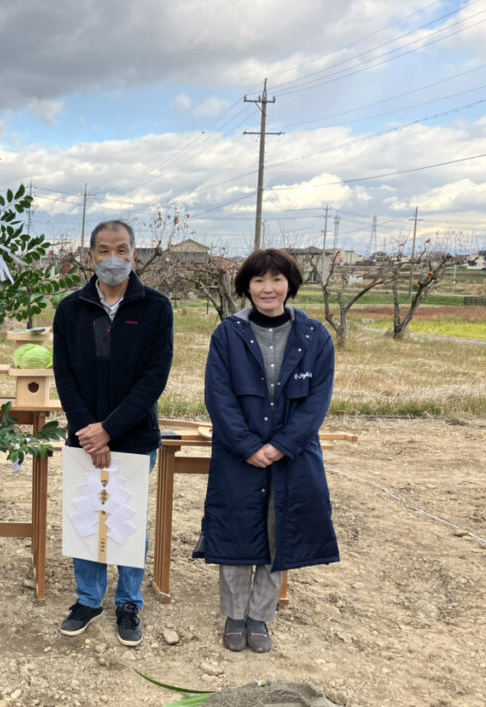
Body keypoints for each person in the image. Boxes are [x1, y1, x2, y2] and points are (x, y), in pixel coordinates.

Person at [199, 248, 338, 653]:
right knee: (237, 530)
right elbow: (218, 395)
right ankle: (234, 614)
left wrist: (279, 447)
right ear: (246, 287)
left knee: (282, 533)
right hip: (237, 454)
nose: (268, 288)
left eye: (277, 280)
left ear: (289, 285)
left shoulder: (315, 337)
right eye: (259, 280)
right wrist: (247, 446)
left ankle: (260, 616)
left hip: (292, 456)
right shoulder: (229, 334)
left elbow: (317, 403)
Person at [52, 220, 174, 646]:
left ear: (134, 254)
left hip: (135, 435)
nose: (112, 258)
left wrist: (110, 429)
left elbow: (154, 377)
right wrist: (89, 430)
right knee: (87, 515)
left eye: (121, 249)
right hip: (84, 435)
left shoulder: (156, 308)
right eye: (103, 250)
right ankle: (88, 598)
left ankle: (129, 602)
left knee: (127, 518)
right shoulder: (71, 309)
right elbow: (64, 375)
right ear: (91, 257)